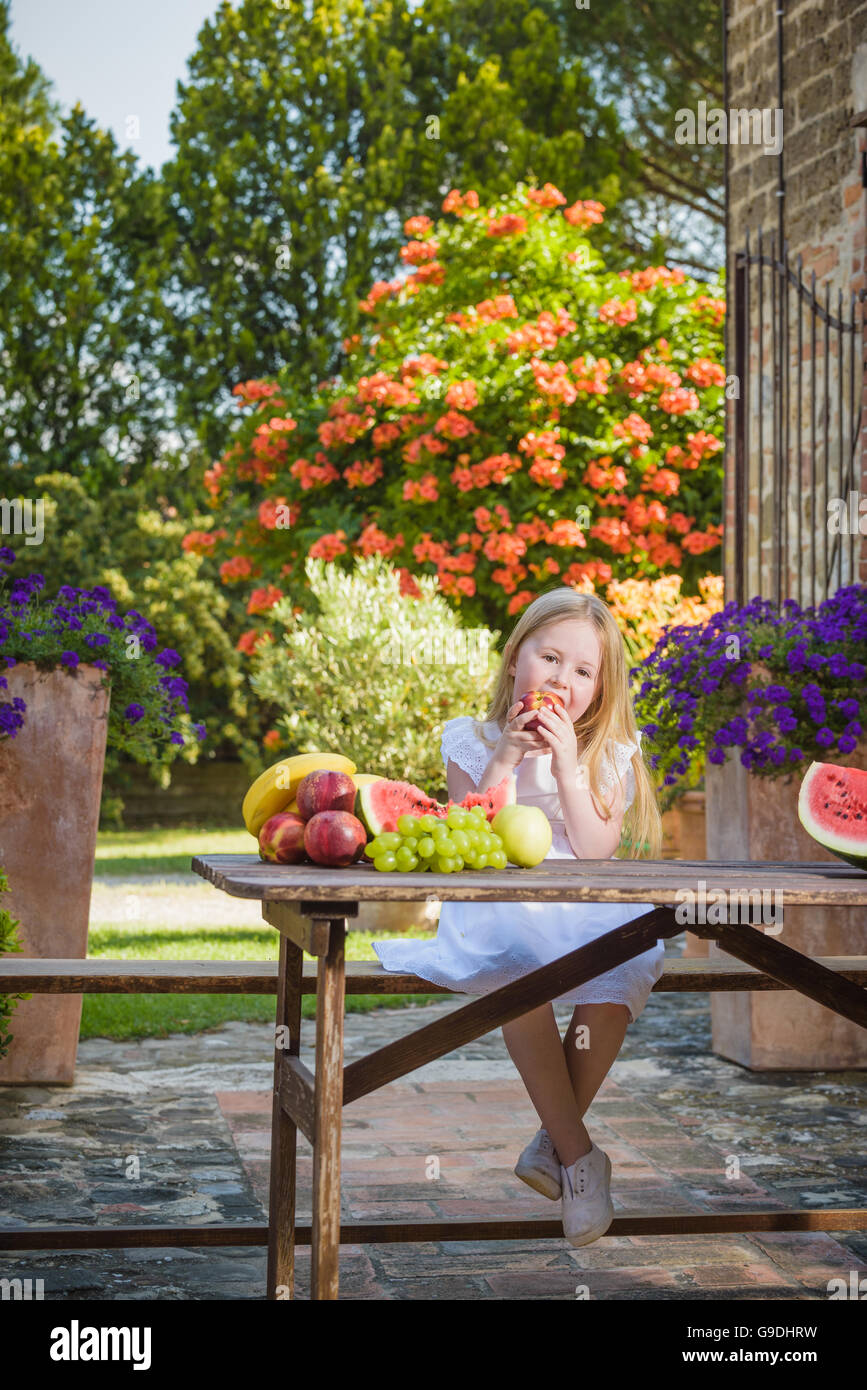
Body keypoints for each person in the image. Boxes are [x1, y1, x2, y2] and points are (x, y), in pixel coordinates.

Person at [372, 586, 665, 1247]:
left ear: (599, 687)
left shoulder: (607, 751)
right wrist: (506, 755)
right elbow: (468, 826)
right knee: (517, 972)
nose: (562, 680)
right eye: (550, 658)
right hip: (502, 898)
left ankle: (551, 1144)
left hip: (583, 900)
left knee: (627, 962)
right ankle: (580, 1159)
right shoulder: (469, 739)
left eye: (583, 670)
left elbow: (595, 848)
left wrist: (565, 765)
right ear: (515, 662)